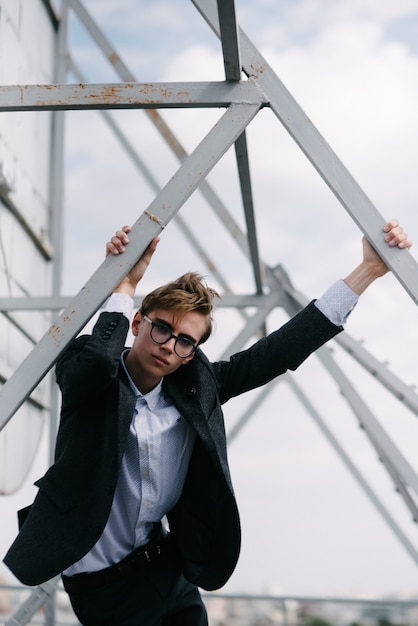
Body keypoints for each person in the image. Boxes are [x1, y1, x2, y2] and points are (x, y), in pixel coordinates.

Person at [4, 219, 412, 625]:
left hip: (166, 568)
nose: (168, 346)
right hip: (101, 587)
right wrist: (124, 284)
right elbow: (95, 363)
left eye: (185, 341)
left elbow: (279, 351)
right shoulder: (91, 376)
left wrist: (368, 272)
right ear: (137, 322)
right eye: (162, 328)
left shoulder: (197, 389)